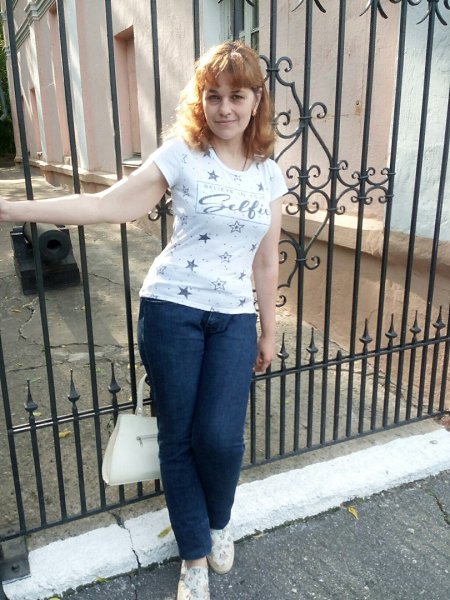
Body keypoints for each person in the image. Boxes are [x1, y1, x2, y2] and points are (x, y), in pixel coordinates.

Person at [0, 41, 287, 599]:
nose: (224, 108)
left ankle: (218, 521)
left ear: (256, 101)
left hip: (233, 317)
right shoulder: (182, 154)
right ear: (201, 101)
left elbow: (266, 259)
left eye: (236, 96)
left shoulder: (269, 175)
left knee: (221, 439)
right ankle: (194, 555)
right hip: (172, 310)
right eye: (213, 96)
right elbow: (107, 205)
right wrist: (12, 208)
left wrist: (269, 329)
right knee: (177, 437)